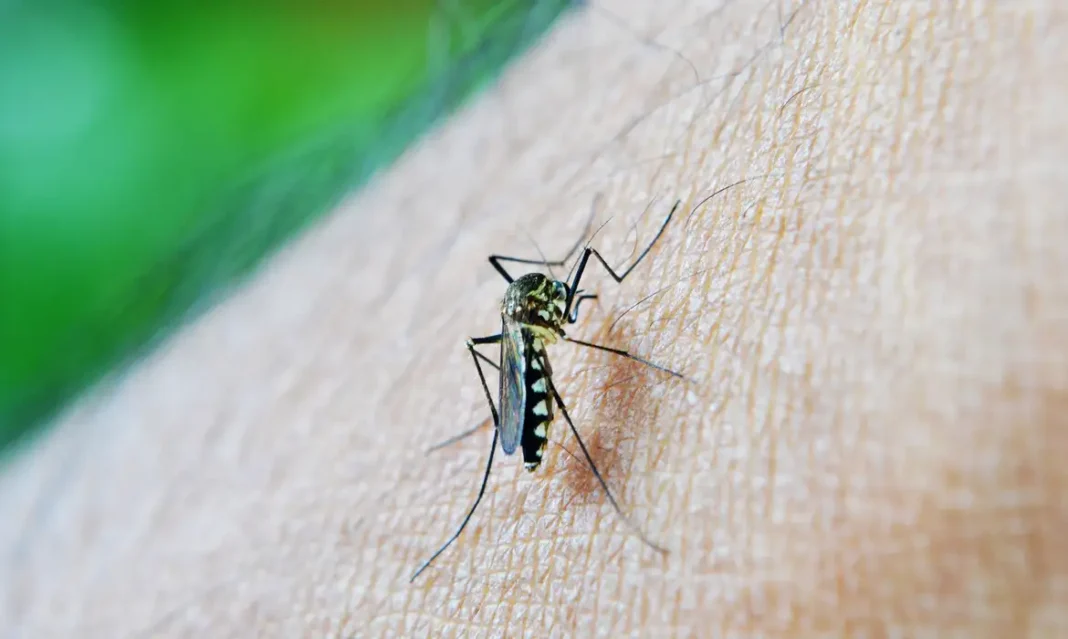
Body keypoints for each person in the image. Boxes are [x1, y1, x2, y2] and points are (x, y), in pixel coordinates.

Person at [2, 0, 1064, 635]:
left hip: (524, 344)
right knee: (537, 371)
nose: (565, 296)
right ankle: (507, 471)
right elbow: (546, 338)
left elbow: (555, 292)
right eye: (555, 295)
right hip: (531, 393)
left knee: (534, 326)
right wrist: (542, 376)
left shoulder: (535, 298)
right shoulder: (537, 332)